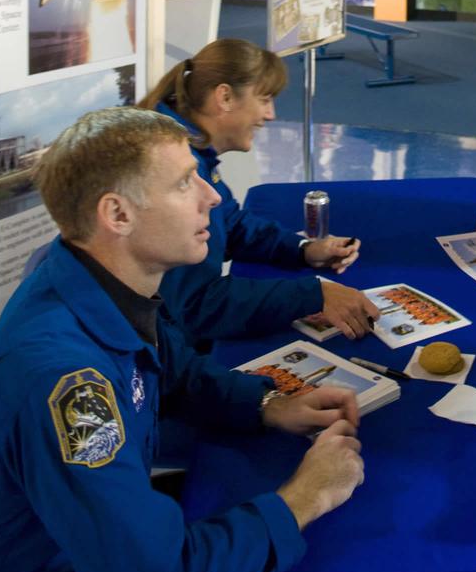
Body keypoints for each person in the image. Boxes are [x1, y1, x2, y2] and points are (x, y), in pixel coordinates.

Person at [0, 108, 365, 572]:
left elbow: (176, 371)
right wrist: (304, 498)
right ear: (118, 215)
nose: (211, 197)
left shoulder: (100, 280)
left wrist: (270, 404)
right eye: (186, 182)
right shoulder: (63, 381)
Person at [138, 39, 379, 345]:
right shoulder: (173, 166)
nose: (271, 114)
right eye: (264, 99)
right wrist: (312, 295)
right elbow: (197, 307)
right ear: (224, 97)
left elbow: (229, 222)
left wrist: (302, 249)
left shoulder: (184, 147)